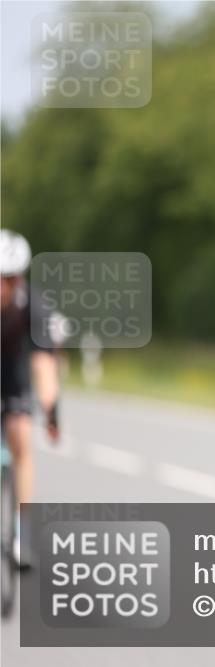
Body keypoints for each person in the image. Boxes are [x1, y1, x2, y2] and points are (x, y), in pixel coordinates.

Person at [0, 229, 62, 566]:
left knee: (21, 437)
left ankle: (22, 532)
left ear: (17, 280)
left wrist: (51, 412)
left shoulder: (34, 306)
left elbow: (43, 366)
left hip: (13, 372)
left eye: (5, 279)